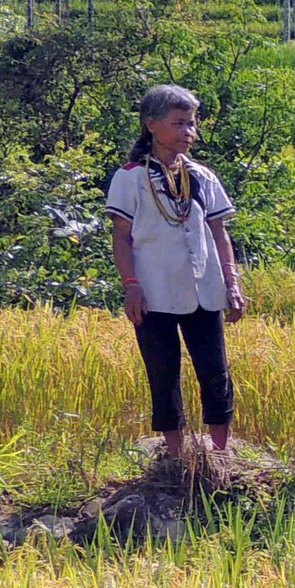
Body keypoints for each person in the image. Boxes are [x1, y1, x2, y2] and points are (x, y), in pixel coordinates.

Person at [105, 84, 246, 463]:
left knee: (215, 372)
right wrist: (130, 285)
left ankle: (219, 453)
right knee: (163, 374)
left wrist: (232, 284)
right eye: (179, 123)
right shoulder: (130, 177)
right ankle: (175, 455)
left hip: (204, 290)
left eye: (192, 124)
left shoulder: (202, 176)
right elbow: (121, 237)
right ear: (152, 125)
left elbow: (219, 233)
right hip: (153, 293)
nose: (189, 132)